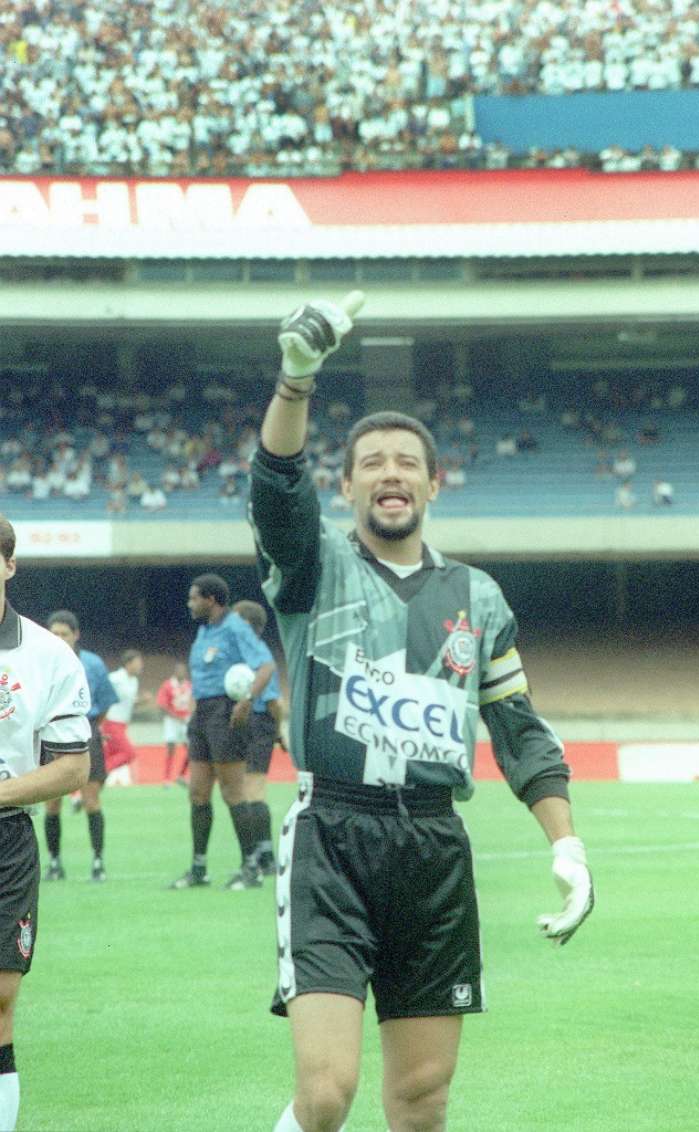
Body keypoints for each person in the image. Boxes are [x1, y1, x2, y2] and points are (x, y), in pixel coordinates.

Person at [250, 294, 594, 1132]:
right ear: (347, 484)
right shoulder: (310, 567)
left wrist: (568, 844)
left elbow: (518, 729)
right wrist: (297, 381)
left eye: (407, 462)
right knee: (327, 1095)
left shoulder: (477, 596)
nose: (391, 474)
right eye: (372, 462)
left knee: (420, 1101)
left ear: (435, 483)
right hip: (333, 835)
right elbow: (275, 484)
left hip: (435, 848)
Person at [0, 513, 91, 1132]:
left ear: (8, 565)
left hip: (5, 837)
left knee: (0, 1001)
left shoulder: (48, 654)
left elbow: (70, 769)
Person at [168, 573, 270, 891]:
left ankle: (251, 868)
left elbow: (266, 665)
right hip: (202, 714)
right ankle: (199, 869)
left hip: (227, 711)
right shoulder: (204, 632)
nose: (190, 603)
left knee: (232, 792)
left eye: (193, 597)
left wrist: (248, 699)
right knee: (197, 792)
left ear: (210, 599)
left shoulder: (235, 626)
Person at [43, 610, 119, 883]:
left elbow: (106, 702)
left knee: (91, 800)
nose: (58, 638)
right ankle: (54, 862)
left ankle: (98, 862)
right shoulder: (40, 663)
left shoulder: (93, 664)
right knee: (52, 803)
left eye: (64, 633)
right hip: (50, 735)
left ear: (76, 635)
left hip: (86, 735)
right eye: (53, 633)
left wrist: (90, 727)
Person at [231, 600, 284, 876]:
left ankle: (262, 857)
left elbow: (273, 700)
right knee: (247, 789)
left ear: (247, 624)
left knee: (251, 789)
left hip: (255, 721)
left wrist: (277, 731)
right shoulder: (248, 650)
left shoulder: (256, 653)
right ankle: (263, 856)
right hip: (254, 722)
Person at [102, 649, 151, 785]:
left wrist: (142, 701)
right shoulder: (115, 678)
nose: (141, 665)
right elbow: (101, 691)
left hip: (122, 724)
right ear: (128, 664)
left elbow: (128, 703)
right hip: (111, 722)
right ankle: (100, 773)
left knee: (106, 756)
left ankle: (81, 791)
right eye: (138, 662)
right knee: (128, 753)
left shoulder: (134, 681)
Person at [156, 662, 193, 787]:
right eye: (179, 670)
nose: (182, 672)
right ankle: (166, 779)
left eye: (184, 670)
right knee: (171, 748)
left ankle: (181, 774)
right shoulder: (168, 685)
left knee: (192, 748)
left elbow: (193, 702)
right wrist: (176, 717)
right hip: (172, 721)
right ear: (175, 672)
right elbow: (162, 705)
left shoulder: (189, 685)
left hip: (186, 720)